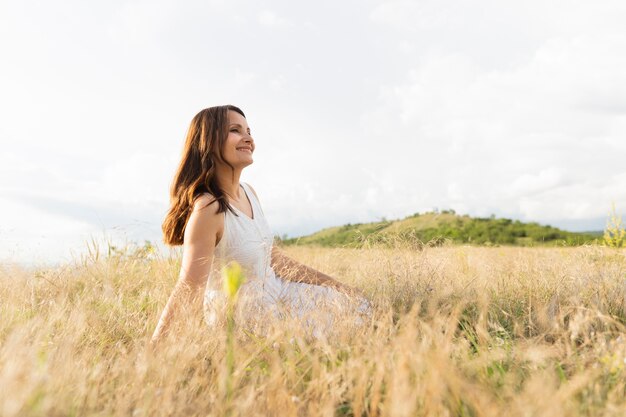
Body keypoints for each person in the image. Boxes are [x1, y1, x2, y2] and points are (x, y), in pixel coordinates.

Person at [150, 105, 371, 345]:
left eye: (248, 130)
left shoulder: (249, 192)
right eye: (235, 130)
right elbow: (189, 287)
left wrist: (336, 285)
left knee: (359, 305)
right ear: (209, 141)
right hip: (247, 318)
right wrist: (154, 352)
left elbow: (274, 258)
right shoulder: (209, 208)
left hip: (279, 294)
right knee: (336, 334)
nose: (248, 138)